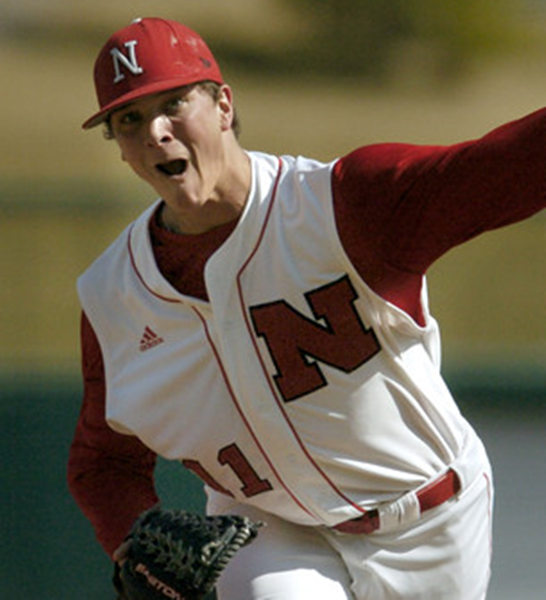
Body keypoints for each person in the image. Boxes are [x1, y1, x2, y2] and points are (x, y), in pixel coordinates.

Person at [68, 16, 545, 600]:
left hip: (433, 516)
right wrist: (133, 533)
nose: (156, 132)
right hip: (271, 530)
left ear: (222, 106)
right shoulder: (113, 295)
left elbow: (507, 167)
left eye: (175, 104)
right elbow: (103, 462)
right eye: (129, 120)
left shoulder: (343, 209)